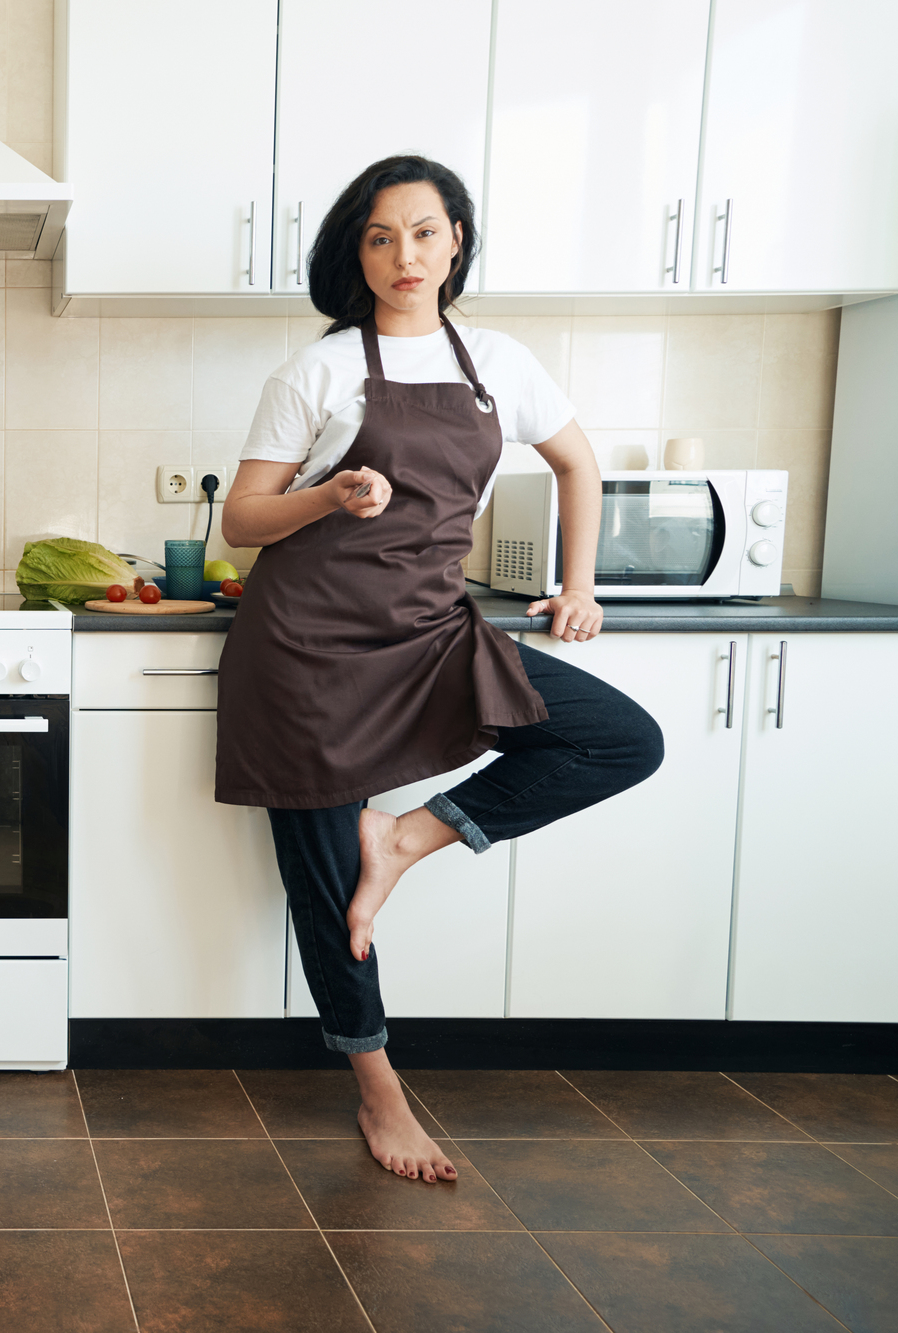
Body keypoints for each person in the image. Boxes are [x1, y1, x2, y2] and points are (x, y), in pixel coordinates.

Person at [216, 156, 663, 1183]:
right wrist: (327, 497)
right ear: (355, 254)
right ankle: (379, 1092)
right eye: (379, 237)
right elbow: (241, 522)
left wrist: (576, 581)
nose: (402, 255)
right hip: (306, 652)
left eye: (422, 232)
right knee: (329, 896)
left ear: (455, 237)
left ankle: (405, 837)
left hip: (427, 633)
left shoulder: (498, 362)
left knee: (619, 740)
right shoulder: (319, 369)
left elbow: (576, 462)